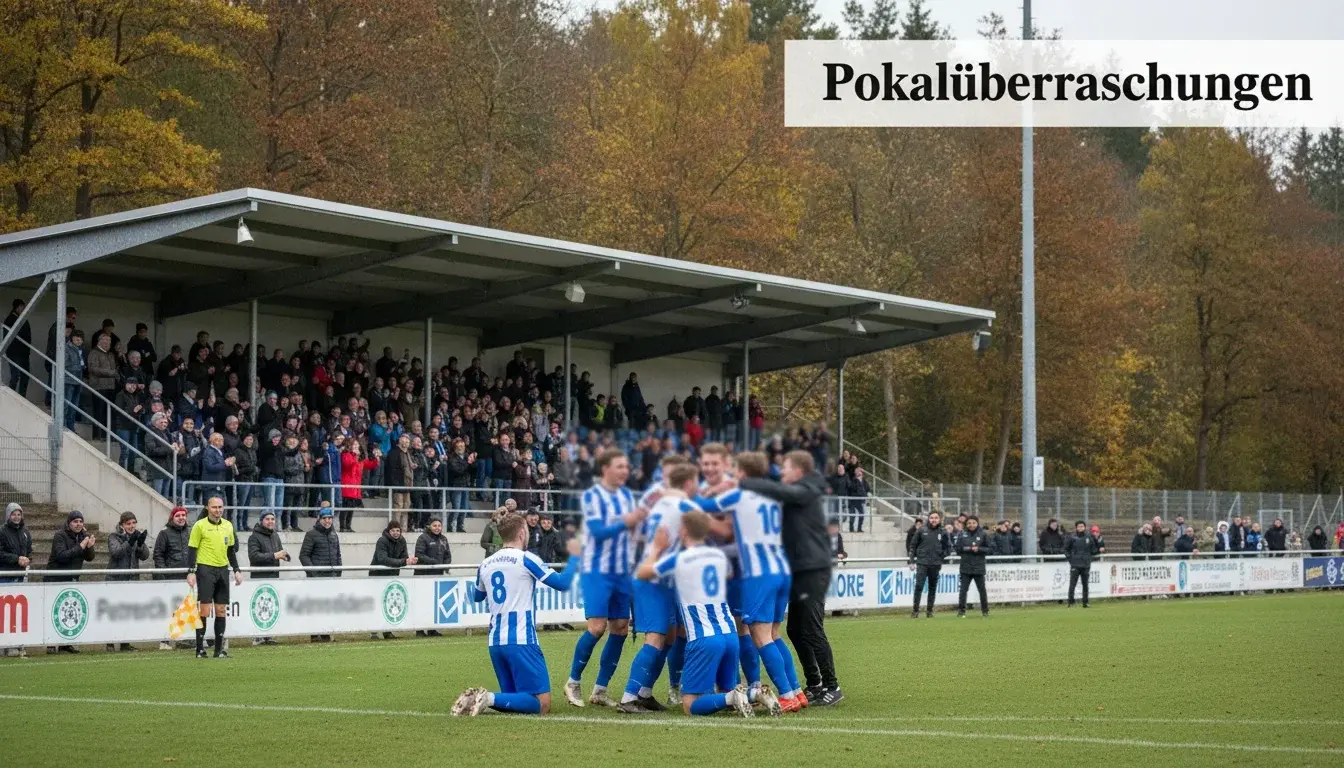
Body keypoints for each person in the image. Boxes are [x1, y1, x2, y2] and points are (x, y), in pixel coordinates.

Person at [731, 450, 841, 707]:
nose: (781, 472)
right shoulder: (783, 497)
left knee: (804, 630)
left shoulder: (806, 489)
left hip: (804, 571)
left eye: (786, 468)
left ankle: (827, 686)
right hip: (790, 570)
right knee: (789, 631)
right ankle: (808, 687)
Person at [451, 513, 583, 716]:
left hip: (496, 643)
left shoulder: (486, 564)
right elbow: (562, 583)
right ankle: (487, 698)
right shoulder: (526, 559)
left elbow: (476, 596)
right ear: (522, 533)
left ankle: (481, 700)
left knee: (516, 701)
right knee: (541, 704)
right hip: (522, 640)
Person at [694, 452, 797, 713]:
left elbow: (701, 505)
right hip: (780, 568)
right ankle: (796, 690)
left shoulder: (740, 495)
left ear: (741, 472)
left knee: (760, 636)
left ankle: (786, 696)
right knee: (773, 634)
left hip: (759, 572)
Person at [634, 509, 753, 718]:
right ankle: (754, 694)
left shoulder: (681, 559)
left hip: (703, 636)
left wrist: (656, 549)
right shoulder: (718, 555)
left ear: (684, 532)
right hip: (729, 632)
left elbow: (643, 573)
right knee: (725, 690)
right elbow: (728, 574)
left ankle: (733, 698)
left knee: (690, 705)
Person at [564, 448, 645, 709]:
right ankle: (573, 681)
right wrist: (628, 522)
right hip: (598, 570)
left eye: (626, 467)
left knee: (620, 627)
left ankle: (600, 689)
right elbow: (597, 532)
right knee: (597, 628)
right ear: (605, 469)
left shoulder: (625, 496)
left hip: (622, 571)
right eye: (620, 466)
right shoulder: (593, 496)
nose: (625, 471)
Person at [186, 496, 242, 659]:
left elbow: (231, 551)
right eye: (214, 507)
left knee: (221, 610)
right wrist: (191, 571)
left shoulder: (228, 526)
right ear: (207, 508)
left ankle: (218, 651)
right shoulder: (199, 526)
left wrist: (236, 570)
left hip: (223, 570)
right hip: (205, 570)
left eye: (220, 507)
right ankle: (200, 650)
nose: (218, 510)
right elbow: (192, 549)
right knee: (204, 609)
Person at [247, 511, 287, 645]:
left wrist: (285, 556)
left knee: (270, 607)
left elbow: (279, 552)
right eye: (267, 519)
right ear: (261, 521)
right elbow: (254, 557)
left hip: (274, 576)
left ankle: (268, 635)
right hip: (260, 577)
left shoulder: (275, 535)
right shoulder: (254, 537)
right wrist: (274, 556)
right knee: (258, 607)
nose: (270, 521)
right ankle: (257, 636)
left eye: (272, 519)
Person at [908, 510, 951, 618]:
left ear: (939, 519)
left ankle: (929, 611)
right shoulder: (921, 531)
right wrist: (912, 560)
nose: (933, 520)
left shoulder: (943, 532)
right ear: (928, 518)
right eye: (932, 518)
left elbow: (948, 548)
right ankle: (915, 611)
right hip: (922, 563)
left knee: (932, 588)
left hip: (935, 564)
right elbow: (913, 546)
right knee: (919, 586)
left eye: (936, 518)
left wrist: (941, 557)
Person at [954, 515, 991, 618]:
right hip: (965, 567)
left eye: (974, 523)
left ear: (977, 523)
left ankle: (985, 611)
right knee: (963, 590)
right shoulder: (962, 534)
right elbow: (957, 549)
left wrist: (979, 549)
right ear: (966, 524)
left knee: (982, 590)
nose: (971, 525)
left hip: (979, 567)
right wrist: (967, 549)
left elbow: (989, 549)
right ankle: (961, 611)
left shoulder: (983, 534)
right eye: (969, 523)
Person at [1065, 521, 1101, 607]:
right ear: (1076, 527)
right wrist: (1071, 559)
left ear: (1084, 527)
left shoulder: (1089, 537)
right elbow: (1066, 549)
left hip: (1085, 565)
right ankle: (1071, 602)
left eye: (1082, 526)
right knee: (1072, 584)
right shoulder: (1072, 537)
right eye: (1079, 526)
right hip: (1075, 565)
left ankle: (1085, 602)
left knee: (1085, 584)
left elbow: (1093, 550)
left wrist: (1098, 550)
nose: (1080, 528)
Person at [3, 298, 32, 396]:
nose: (23, 309)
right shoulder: (10, 319)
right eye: (21, 307)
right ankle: (11, 396)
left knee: (25, 375)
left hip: (23, 352)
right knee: (16, 375)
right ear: (17, 307)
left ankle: (22, 396)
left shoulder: (22, 318)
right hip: (14, 352)